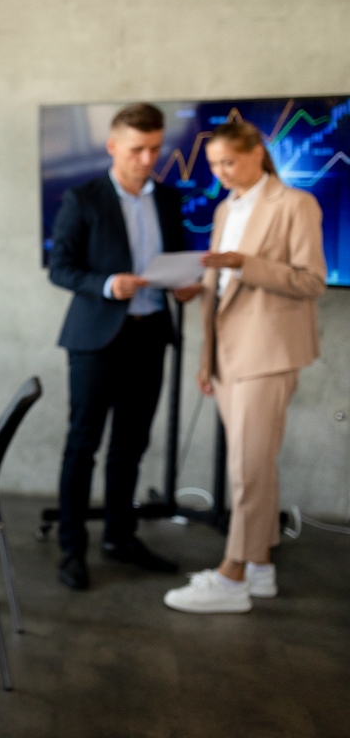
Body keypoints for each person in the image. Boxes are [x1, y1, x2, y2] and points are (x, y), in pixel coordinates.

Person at [164, 121, 326, 614]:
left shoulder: (296, 204)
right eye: (213, 165)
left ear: (258, 152)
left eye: (229, 162)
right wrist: (205, 354)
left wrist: (243, 262)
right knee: (255, 465)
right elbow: (220, 288)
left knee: (247, 468)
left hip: (269, 352)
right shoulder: (225, 207)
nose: (220, 173)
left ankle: (233, 573)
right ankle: (260, 569)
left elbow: (311, 280)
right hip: (230, 354)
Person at [48, 103, 203, 591]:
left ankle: (120, 536)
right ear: (113, 146)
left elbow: (178, 261)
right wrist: (108, 283)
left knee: (130, 447)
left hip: (150, 333)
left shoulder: (169, 199)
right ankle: (72, 547)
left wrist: (185, 285)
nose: (148, 158)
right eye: (138, 149)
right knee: (83, 445)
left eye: (155, 148)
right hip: (96, 338)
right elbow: (62, 268)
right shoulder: (84, 197)